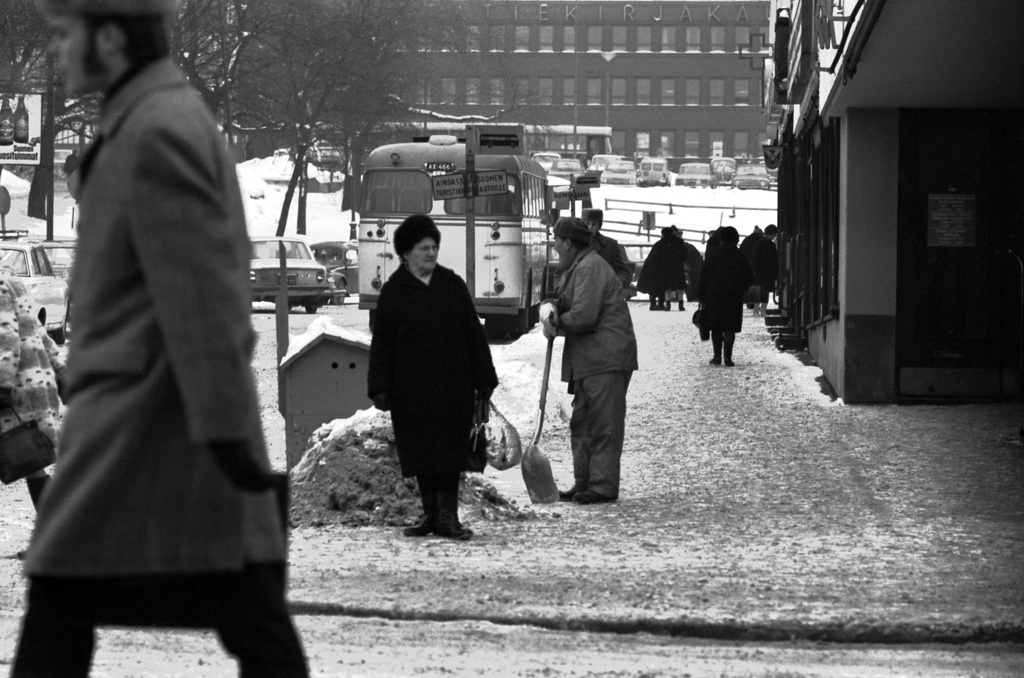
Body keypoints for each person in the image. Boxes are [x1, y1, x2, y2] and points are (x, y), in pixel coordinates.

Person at [15, 2, 309, 676]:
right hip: (160, 422)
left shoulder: (153, 133)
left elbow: (204, 297)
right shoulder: (153, 122)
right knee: (244, 608)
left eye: (65, 37)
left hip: (151, 424)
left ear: (111, 39)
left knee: (65, 598)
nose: (56, 55)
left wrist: (230, 440)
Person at [368, 214, 498, 541]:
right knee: (422, 453)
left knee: (450, 452)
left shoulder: (451, 284)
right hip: (410, 390)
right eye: (424, 248)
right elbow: (381, 343)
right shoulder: (394, 292)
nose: (431, 253)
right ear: (406, 252)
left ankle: (449, 518)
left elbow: (473, 334)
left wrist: (484, 378)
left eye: (434, 247)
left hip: (452, 386)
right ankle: (429, 514)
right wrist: (379, 387)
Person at [542, 217, 638, 505]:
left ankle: (603, 486)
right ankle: (585, 481)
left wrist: (557, 324)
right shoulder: (577, 266)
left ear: (568, 243)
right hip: (591, 359)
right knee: (582, 423)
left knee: (603, 424)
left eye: (556, 240)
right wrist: (555, 308)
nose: (554, 244)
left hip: (605, 358)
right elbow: (570, 301)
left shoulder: (589, 268)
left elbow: (584, 315)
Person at [0, 277, 66, 520]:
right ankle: (56, 538)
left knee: (28, 461)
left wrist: (2, 385)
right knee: (31, 466)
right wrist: (61, 371)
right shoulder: (14, 284)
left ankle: (60, 538)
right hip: (29, 387)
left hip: (15, 391)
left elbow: (5, 342)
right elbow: (40, 334)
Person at [695, 226, 755, 367]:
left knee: (716, 327)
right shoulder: (739, 255)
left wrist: (701, 294)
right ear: (735, 239)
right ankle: (728, 358)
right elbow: (749, 277)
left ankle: (717, 357)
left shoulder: (713, 255)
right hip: (733, 296)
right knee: (729, 327)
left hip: (714, 296)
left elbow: (703, 276)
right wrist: (741, 288)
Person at [636, 226, 689, 311]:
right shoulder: (678, 242)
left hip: (658, 269)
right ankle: (674, 304)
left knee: (661, 286)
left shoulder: (659, 244)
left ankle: (656, 304)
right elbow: (684, 255)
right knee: (676, 287)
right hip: (676, 268)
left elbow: (653, 257)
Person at [581, 208, 633, 293]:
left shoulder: (610, 245)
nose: (590, 227)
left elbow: (622, 271)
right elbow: (561, 271)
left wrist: (615, 285)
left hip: (603, 295)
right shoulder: (573, 244)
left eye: (594, 224)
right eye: (587, 224)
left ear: (599, 225)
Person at [752, 224, 779, 318]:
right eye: (774, 234)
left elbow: (755, 258)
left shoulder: (759, 243)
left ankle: (756, 311)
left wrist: (755, 270)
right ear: (771, 234)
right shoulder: (770, 245)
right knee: (765, 292)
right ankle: (763, 311)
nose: (775, 236)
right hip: (768, 272)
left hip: (760, 272)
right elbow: (773, 259)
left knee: (759, 291)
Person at [738, 225, 763, 311]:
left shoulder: (746, 240)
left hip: (745, 265)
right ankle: (753, 303)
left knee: (748, 284)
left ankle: (749, 303)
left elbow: (740, 251)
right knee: (756, 284)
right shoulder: (760, 241)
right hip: (756, 266)